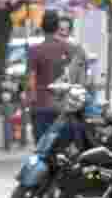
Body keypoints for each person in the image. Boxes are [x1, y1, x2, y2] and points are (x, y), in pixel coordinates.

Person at [26, 11, 77, 144]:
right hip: (64, 105)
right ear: (57, 28)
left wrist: (30, 100)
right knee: (63, 145)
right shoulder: (69, 48)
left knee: (42, 146)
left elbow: (31, 80)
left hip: (41, 105)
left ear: (42, 27)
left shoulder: (34, 50)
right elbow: (76, 76)